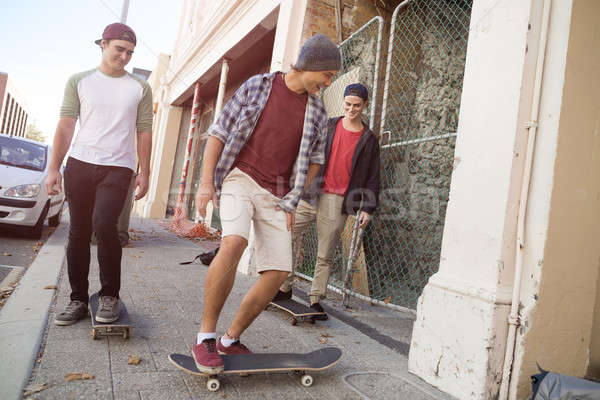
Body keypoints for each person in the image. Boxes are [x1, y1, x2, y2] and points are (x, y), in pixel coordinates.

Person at [192, 34, 341, 373]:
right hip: (239, 179)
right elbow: (218, 133)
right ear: (310, 65)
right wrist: (204, 184)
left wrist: (292, 200)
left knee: (277, 271)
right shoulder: (258, 86)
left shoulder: (317, 109)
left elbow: (316, 158)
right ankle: (205, 338)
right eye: (327, 74)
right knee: (234, 242)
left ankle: (231, 339)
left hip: (277, 196)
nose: (328, 82)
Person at [45, 22, 153, 325]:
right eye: (119, 49)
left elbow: (144, 131)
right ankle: (78, 299)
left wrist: (145, 171)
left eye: (130, 52)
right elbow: (66, 125)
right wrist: (54, 167)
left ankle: (109, 296)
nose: (124, 56)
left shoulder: (140, 88)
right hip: (80, 163)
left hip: (118, 167)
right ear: (103, 44)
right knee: (78, 231)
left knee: (105, 225)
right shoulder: (80, 81)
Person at [272, 83, 380, 320]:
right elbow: (307, 153)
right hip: (312, 191)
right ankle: (284, 287)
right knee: (288, 235)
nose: (352, 109)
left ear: (365, 106)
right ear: (343, 102)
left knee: (325, 252)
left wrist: (368, 209)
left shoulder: (369, 140)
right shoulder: (330, 126)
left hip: (338, 199)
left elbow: (373, 177)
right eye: (348, 104)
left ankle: (315, 300)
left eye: (357, 106)